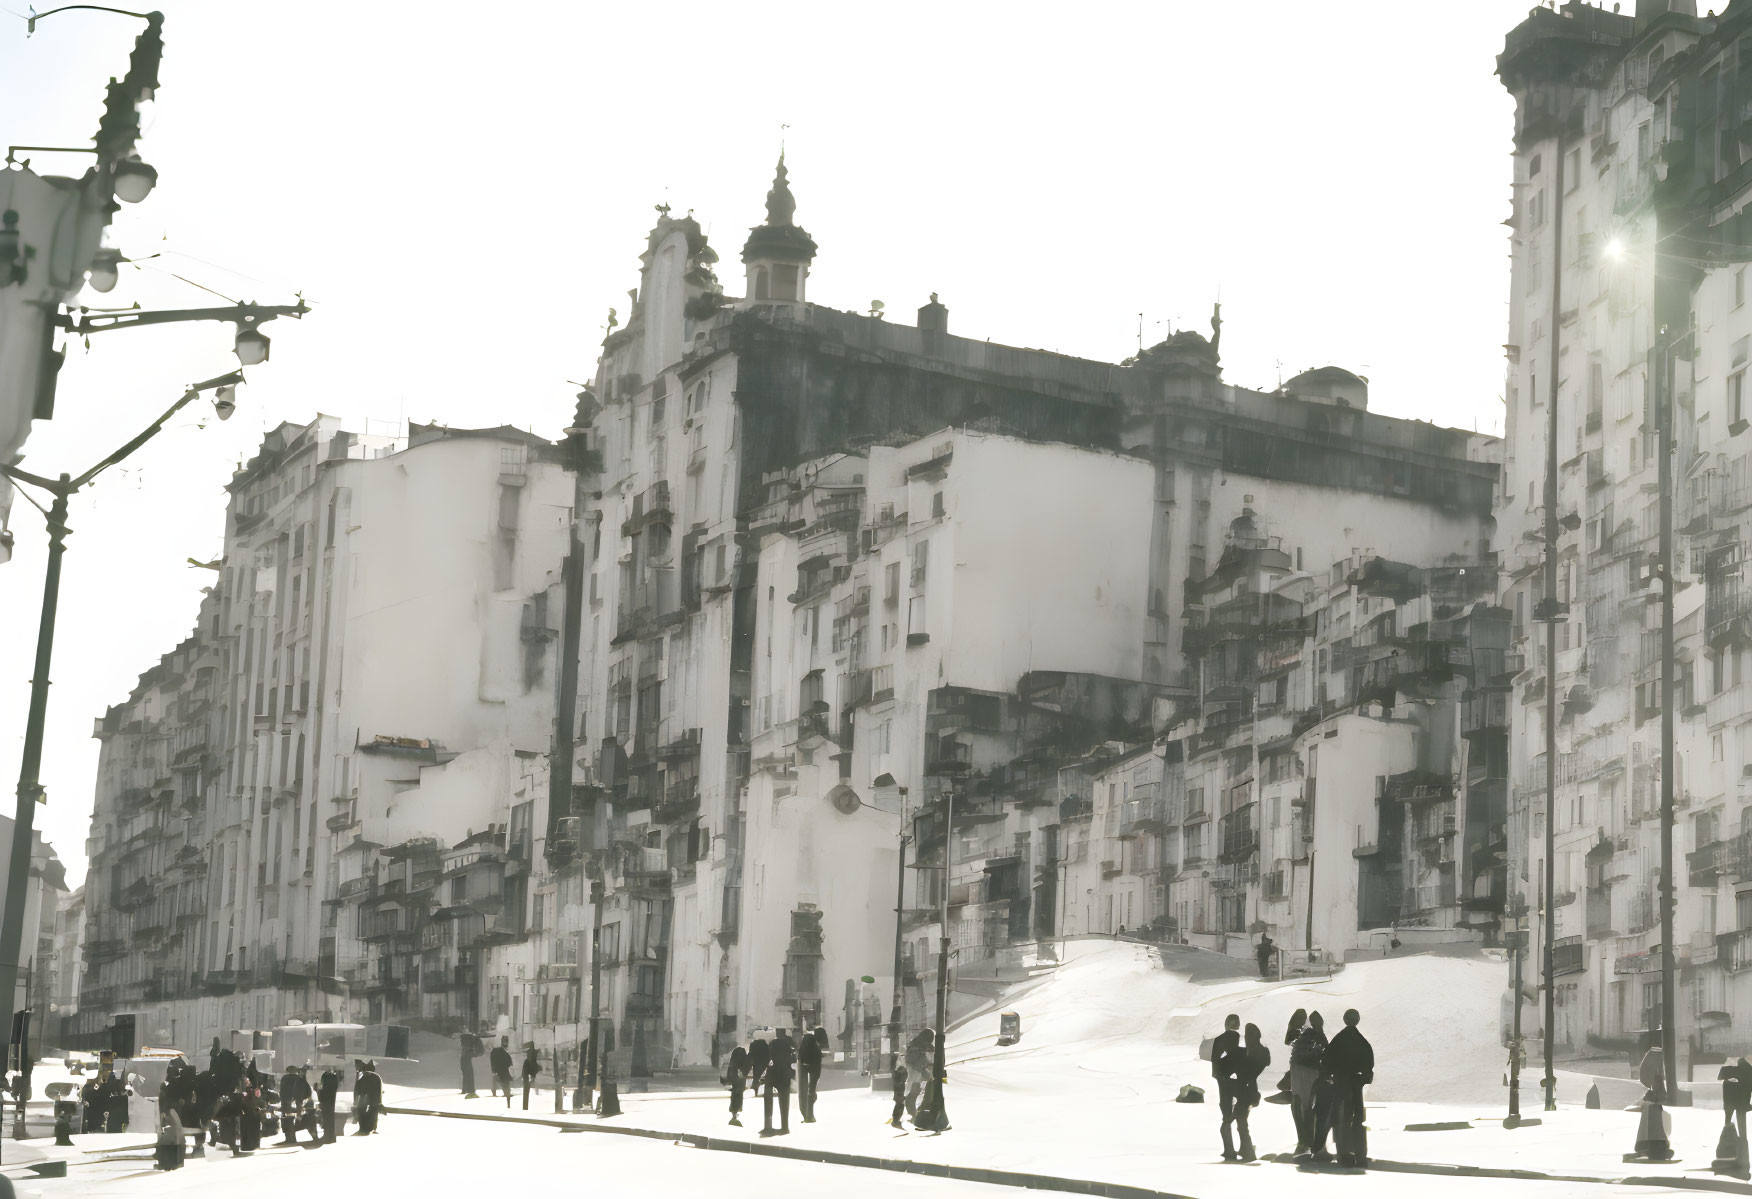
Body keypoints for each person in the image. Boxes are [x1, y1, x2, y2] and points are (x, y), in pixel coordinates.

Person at [1323, 1009, 1374, 1168]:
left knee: (1342, 1119)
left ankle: (1345, 1155)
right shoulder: (1362, 1041)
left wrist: (1329, 1077)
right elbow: (1368, 1065)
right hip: (1355, 1085)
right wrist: (1362, 1079)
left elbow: (1327, 1061)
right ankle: (1360, 1155)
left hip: (1341, 1084)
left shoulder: (1338, 1040)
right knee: (1357, 1119)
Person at [1290, 1009, 1329, 1159]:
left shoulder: (1304, 1036)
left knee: (1301, 1106)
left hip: (1299, 1073)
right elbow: (1325, 1054)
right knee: (1310, 1108)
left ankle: (1304, 1142)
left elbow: (1292, 1047)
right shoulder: (1319, 1035)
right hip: (1312, 1074)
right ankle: (1310, 1143)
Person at [1234, 1023, 1270, 1162]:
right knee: (1242, 1121)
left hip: (1246, 1091)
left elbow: (1244, 1072)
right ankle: (1245, 1148)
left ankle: (1247, 1150)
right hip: (1251, 1090)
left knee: (1241, 1121)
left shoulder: (1248, 1053)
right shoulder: (1263, 1052)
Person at [1212, 1013, 1245, 1161]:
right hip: (1229, 1078)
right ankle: (1232, 1149)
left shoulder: (1221, 1039)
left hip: (1224, 1078)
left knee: (1227, 1111)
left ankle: (1229, 1149)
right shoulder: (1231, 1037)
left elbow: (1216, 1060)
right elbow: (1229, 1056)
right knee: (1231, 1113)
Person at [762, 1027, 796, 1137]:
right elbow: (793, 1058)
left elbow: (768, 1058)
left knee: (768, 1101)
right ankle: (785, 1127)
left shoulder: (772, 1043)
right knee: (784, 1101)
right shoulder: (789, 1043)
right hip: (784, 1073)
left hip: (773, 1073)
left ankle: (768, 1126)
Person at [278, 1064, 313, 1146]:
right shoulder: (300, 1079)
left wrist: (284, 1100)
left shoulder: (284, 1078)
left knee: (287, 1118)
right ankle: (293, 1137)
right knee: (296, 1118)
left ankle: (289, 1138)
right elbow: (307, 1090)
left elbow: (282, 1091)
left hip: (287, 1101)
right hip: (298, 1101)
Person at [798, 1026, 826, 1123]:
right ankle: (809, 1116)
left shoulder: (809, 1041)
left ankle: (808, 1116)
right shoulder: (813, 1045)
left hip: (807, 1070)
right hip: (813, 1071)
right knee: (811, 1093)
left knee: (808, 1093)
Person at [904, 1029, 934, 1118]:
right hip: (916, 1078)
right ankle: (913, 1116)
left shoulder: (925, 1047)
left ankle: (915, 1115)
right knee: (913, 1096)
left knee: (917, 1096)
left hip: (920, 1078)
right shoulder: (915, 1048)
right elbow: (915, 1063)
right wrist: (926, 1068)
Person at [353, 1060, 383, 1135]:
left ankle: (366, 1128)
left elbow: (358, 1090)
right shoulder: (374, 1076)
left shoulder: (366, 1076)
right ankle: (369, 1128)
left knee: (367, 1110)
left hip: (368, 1099)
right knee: (369, 1111)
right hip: (371, 1100)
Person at [317, 1065, 342, 1143]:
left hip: (327, 1101)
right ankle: (330, 1136)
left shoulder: (328, 1077)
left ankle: (328, 1136)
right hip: (330, 1100)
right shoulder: (332, 1076)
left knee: (327, 1118)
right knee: (329, 1119)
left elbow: (325, 1089)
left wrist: (318, 1091)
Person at [725, 1043, 749, 1127]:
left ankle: (734, 1113)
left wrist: (728, 1080)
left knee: (734, 1096)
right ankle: (735, 1113)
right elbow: (747, 1066)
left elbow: (729, 1071)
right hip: (740, 1082)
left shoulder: (733, 1064)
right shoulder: (743, 1064)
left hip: (735, 1082)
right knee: (739, 1097)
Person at [489, 1037, 514, 1108]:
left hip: (502, 1068)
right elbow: (494, 1060)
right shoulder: (498, 1051)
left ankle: (506, 1093)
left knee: (504, 1081)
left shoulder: (499, 1050)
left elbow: (507, 1059)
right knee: (504, 1081)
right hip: (501, 1068)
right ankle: (506, 1093)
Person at [459, 1029, 483, 1099]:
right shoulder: (470, 1038)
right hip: (467, 1057)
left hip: (467, 1057)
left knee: (468, 1074)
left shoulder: (470, 1038)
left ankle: (468, 1089)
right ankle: (468, 1089)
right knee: (468, 1074)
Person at [889, 1057, 909, 1128]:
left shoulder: (896, 1072)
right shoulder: (900, 1072)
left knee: (899, 1105)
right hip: (899, 1092)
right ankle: (896, 1121)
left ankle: (895, 1119)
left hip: (898, 1092)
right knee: (900, 1106)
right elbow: (902, 1080)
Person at [521, 1043, 541, 1111]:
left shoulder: (527, 1059)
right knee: (529, 1088)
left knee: (526, 1091)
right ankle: (525, 1107)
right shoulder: (535, 1054)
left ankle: (525, 1107)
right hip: (532, 1072)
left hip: (528, 1074)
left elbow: (524, 1070)